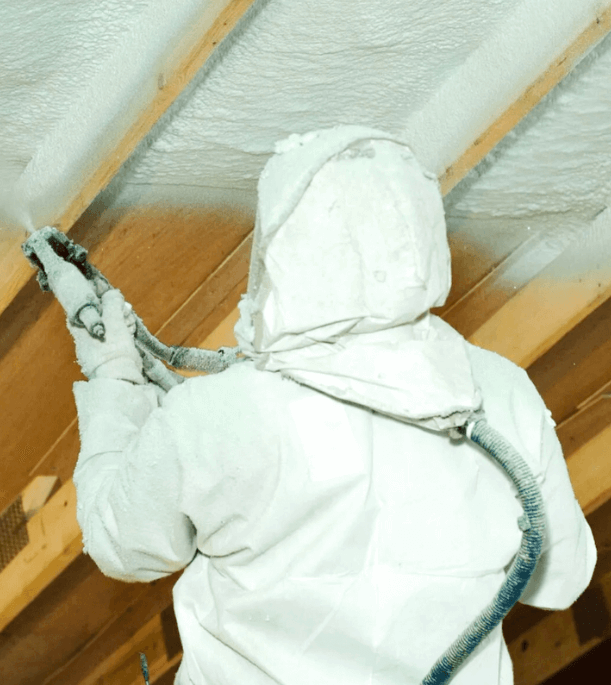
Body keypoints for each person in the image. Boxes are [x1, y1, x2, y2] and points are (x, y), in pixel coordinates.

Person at [67, 125, 596, 684]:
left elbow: (122, 545)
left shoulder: (214, 415)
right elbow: (559, 580)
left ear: (284, 247)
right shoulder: (501, 391)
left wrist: (113, 377)